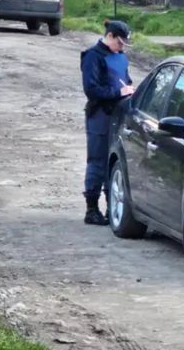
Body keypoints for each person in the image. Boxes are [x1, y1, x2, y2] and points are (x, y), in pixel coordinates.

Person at [80, 20, 135, 225]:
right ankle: (92, 209)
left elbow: (125, 79)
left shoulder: (121, 57)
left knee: (115, 161)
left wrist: (129, 89)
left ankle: (113, 206)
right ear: (110, 36)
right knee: (98, 160)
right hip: (100, 115)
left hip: (119, 114)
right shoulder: (93, 57)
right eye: (120, 43)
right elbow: (91, 90)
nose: (121, 48)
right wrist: (118, 92)